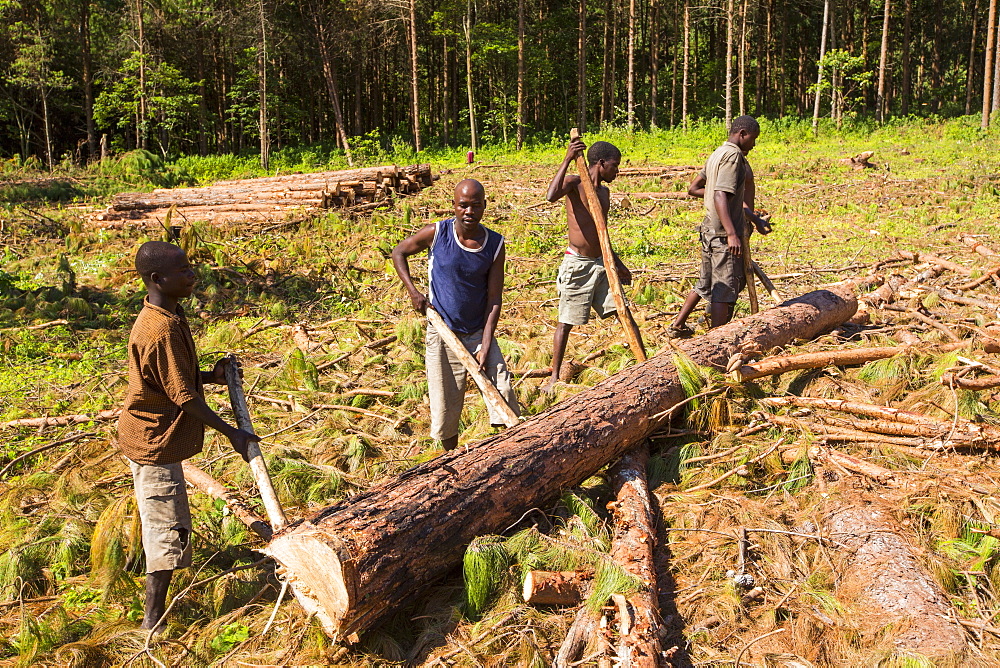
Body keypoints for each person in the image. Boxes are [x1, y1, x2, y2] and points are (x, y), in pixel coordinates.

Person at [118, 240, 258, 633]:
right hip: (154, 441)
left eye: (189, 267)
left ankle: (144, 585)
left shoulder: (170, 314)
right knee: (167, 527)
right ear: (157, 278)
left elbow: (170, 381)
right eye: (183, 270)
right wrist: (233, 433)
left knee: (159, 518)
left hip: (154, 432)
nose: (192, 274)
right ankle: (152, 622)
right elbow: (181, 397)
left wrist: (210, 378)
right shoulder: (159, 329)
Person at [391, 179, 520, 451]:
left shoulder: (494, 244)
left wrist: (486, 343)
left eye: (475, 205)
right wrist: (414, 292)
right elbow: (399, 252)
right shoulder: (437, 233)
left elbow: (494, 299)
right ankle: (451, 461)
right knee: (446, 408)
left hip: (477, 332)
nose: (469, 212)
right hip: (443, 333)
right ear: (454, 206)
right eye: (463, 205)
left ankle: (508, 454)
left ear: (484, 206)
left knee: (503, 394)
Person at [541, 137, 631, 393]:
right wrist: (568, 158)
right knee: (566, 321)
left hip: (601, 263)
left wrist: (617, 262)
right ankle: (554, 377)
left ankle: (639, 357)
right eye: (614, 166)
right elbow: (550, 195)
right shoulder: (574, 183)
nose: (617, 171)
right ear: (601, 163)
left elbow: (601, 232)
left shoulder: (604, 192)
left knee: (621, 308)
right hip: (578, 265)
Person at [669, 115, 766, 335]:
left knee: (707, 282)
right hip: (723, 235)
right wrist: (732, 233)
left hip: (709, 230)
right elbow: (721, 194)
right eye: (753, 138)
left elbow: (700, 189)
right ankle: (716, 341)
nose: (754, 144)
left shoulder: (717, 154)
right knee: (725, 288)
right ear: (742, 134)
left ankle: (678, 326)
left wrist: (754, 219)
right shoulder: (732, 156)